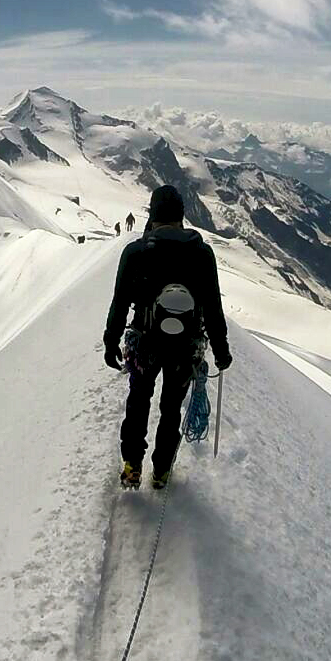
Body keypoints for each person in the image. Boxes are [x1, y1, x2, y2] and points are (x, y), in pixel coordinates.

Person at [103, 185, 231, 489]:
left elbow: (120, 303)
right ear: (181, 215)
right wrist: (221, 349)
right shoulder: (202, 253)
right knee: (171, 409)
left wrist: (111, 341)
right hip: (185, 348)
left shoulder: (135, 252)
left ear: (152, 213)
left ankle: (132, 465)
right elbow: (213, 307)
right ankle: (161, 471)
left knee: (138, 400)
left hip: (144, 343)